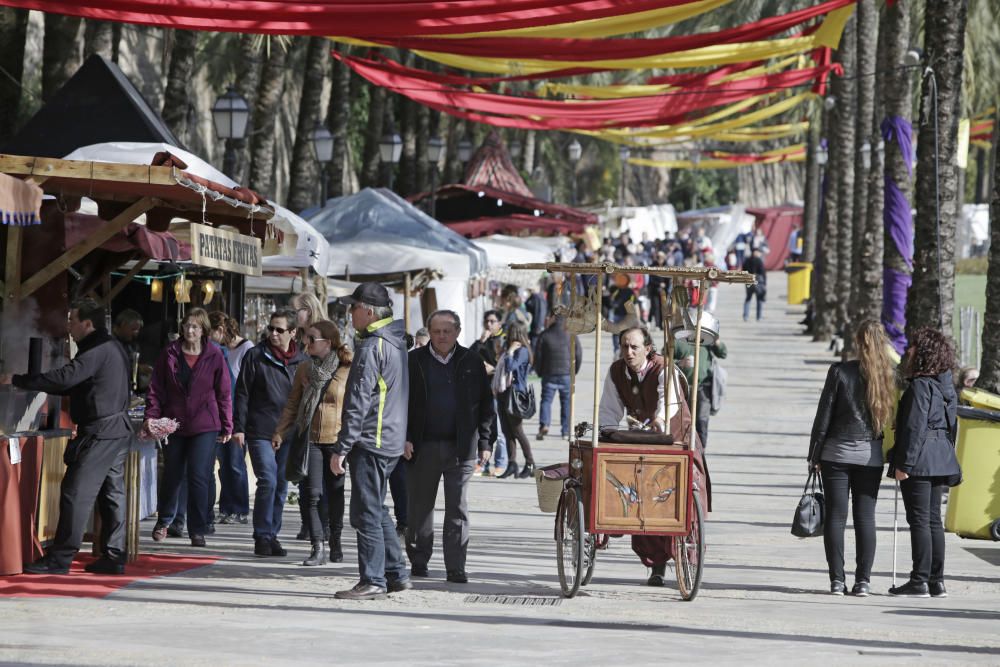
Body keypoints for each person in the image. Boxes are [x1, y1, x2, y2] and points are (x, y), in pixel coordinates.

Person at [3, 299, 134, 575]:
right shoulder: (110, 347)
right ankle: (114, 555)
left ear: (88, 323)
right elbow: (78, 385)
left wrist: (20, 380)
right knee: (112, 495)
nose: (69, 326)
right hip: (114, 429)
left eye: (72, 320)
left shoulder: (98, 349)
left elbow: (66, 378)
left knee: (75, 492)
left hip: (102, 431)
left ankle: (60, 558)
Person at [597, 326, 709, 586]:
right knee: (643, 496)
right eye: (625, 346)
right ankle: (656, 564)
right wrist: (606, 433)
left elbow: (667, 400)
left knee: (682, 496)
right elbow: (609, 408)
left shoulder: (662, 368)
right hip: (642, 437)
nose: (629, 352)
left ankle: (688, 556)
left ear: (648, 348)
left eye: (634, 347)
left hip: (677, 437)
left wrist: (660, 419)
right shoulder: (616, 372)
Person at [330, 282, 411, 600]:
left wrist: (342, 445)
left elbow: (358, 400)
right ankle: (396, 573)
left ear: (367, 310)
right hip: (390, 437)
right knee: (376, 509)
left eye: (353, 307)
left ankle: (373, 579)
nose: (350, 313)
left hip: (372, 439)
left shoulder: (372, 346)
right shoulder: (394, 340)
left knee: (366, 512)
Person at [404, 310, 494, 583]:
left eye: (447, 331)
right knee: (420, 507)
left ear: (457, 331)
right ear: (429, 332)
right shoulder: (412, 361)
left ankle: (456, 566)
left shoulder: (472, 360)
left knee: (458, 508)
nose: (442, 336)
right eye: (436, 331)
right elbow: (401, 402)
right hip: (422, 446)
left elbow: (486, 405)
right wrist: (404, 437)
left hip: (461, 447)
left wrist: (485, 441)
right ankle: (419, 560)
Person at [808, 320, 896, 596]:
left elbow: (824, 416)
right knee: (865, 518)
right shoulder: (888, 376)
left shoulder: (840, 372)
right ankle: (863, 581)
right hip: (870, 455)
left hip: (836, 452)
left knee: (836, 517)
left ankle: (836, 580)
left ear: (858, 342)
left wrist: (814, 454)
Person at [147, 308, 232, 548]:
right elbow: (156, 388)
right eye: (186, 326)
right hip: (174, 423)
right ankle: (164, 520)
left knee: (199, 476)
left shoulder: (214, 355)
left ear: (203, 329)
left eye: (195, 326)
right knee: (172, 474)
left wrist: (228, 424)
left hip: (205, 424)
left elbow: (224, 392)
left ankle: (198, 529)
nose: (189, 330)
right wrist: (152, 416)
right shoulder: (170, 353)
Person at [888, 327, 962, 598]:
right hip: (941, 457)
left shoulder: (920, 386)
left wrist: (903, 464)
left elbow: (915, 429)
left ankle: (919, 580)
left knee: (919, 520)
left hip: (919, 460)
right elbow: (949, 423)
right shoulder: (945, 386)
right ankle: (936, 580)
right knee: (932, 521)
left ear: (924, 353)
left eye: (913, 347)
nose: (908, 351)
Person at [274, 320, 353, 566]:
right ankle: (317, 546)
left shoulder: (347, 369)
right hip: (310, 438)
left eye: (311, 338)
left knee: (335, 494)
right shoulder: (304, 369)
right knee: (311, 494)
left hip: (337, 440)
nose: (305, 343)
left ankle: (336, 540)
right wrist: (280, 431)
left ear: (327, 343)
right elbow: (293, 404)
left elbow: (355, 406)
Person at [233, 309, 307, 557]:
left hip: (289, 432)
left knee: (282, 486)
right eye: (271, 329)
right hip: (260, 429)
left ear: (293, 332)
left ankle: (272, 534)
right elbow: (242, 393)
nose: (273, 333)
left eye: (279, 330)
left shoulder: (302, 360)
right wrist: (238, 427)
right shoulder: (256, 356)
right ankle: (262, 535)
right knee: (269, 480)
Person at [209, 311, 252, 525]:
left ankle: (240, 508)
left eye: (210, 333)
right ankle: (226, 508)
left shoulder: (246, 348)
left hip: (237, 415)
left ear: (220, 331)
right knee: (224, 465)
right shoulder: (218, 350)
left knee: (235, 463)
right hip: (219, 414)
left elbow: (245, 386)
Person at [493, 321, 535, 479]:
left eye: (508, 332)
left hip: (516, 395)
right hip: (504, 393)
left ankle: (530, 463)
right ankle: (512, 464)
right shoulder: (509, 348)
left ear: (515, 333)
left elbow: (511, 367)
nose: (506, 335)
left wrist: (510, 352)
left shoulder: (522, 351)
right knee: (506, 431)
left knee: (518, 431)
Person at [470, 309, 507, 476]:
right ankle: (483, 463)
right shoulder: (482, 341)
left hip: (499, 390)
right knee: (483, 428)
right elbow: (469, 357)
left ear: (499, 323)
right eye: (487, 321)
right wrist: (480, 341)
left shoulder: (505, 340)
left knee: (498, 430)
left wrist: (494, 369)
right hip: (482, 390)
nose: (489, 324)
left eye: (492, 321)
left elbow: (510, 364)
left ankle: (501, 463)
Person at [673, 333, 727, 449]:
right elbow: (664, 360)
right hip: (683, 389)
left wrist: (716, 341)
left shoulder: (706, 339)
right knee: (683, 422)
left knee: (702, 422)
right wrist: (680, 363)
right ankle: (685, 452)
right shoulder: (679, 340)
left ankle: (701, 455)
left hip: (703, 388)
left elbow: (723, 353)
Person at [533, 313, 582, 440]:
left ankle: (544, 424)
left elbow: (537, 356)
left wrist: (539, 371)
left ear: (552, 320)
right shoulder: (571, 334)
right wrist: (574, 371)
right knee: (566, 403)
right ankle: (565, 431)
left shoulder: (544, 335)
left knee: (546, 401)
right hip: (566, 374)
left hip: (549, 373)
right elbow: (578, 354)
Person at [742, 248, 767, 321]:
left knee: (748, 298)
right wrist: (765, 283)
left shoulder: (747, 260)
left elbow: (743, 270)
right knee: (759, 299)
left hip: (748, 280)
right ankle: (759, 317)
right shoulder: (759, 261)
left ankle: (745, 316)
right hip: (758, 281)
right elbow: (763, 272)